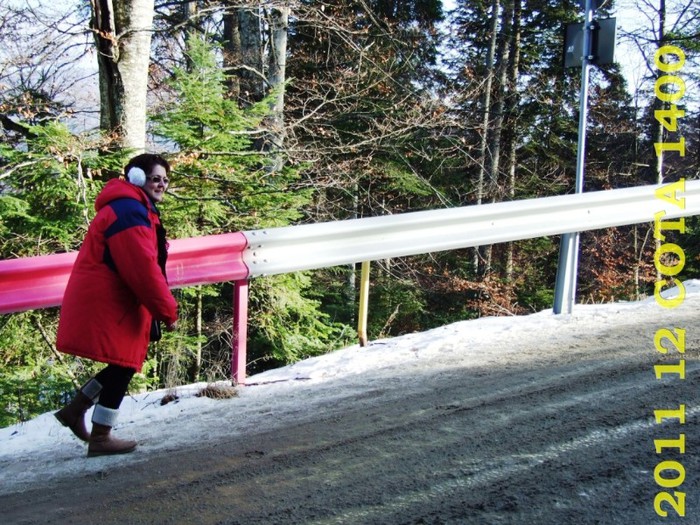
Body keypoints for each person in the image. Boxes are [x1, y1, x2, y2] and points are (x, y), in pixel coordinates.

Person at [54, 153, 178, 457]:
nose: (161, 184)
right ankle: (100, 437)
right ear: (136, 178)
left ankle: (77, 409)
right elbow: (142, 269)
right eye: (155, 178)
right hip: (111, 300)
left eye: (165, 179)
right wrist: (167, 310)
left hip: (115, 298)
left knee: (124, 363)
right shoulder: (128, 212)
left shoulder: (134, 208)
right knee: (124, 364)